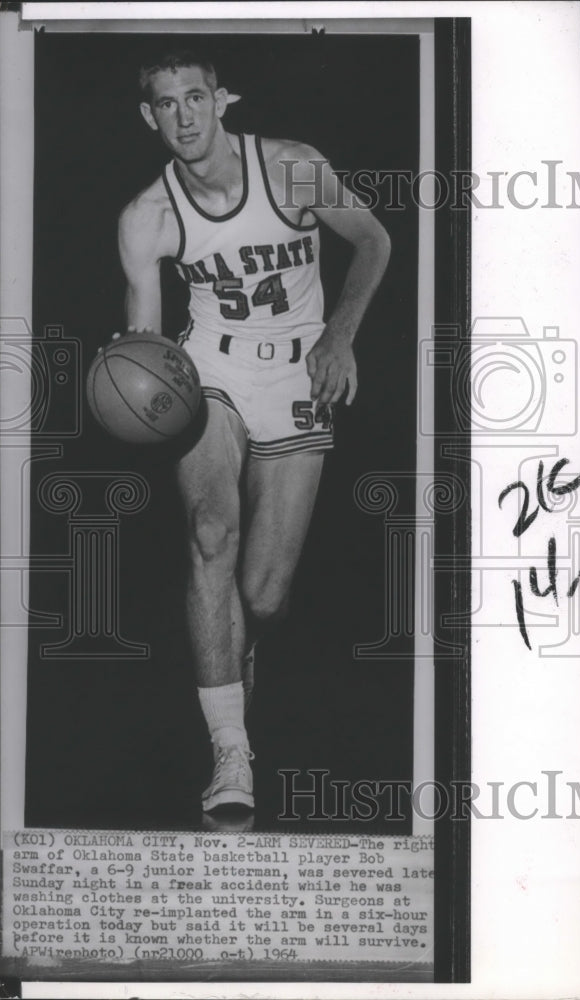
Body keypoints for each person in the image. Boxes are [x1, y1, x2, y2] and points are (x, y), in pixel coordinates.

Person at [118, 49, 391, 812]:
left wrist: (339, 335)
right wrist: (137, 386)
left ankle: (240, 654)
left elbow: (373, 240)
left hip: (301, 371)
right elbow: (146, 340)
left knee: (264, 596)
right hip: (210, 370)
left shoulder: (293, 168)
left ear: (221, 100)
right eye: (166, 104)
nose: (184, 116)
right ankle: (231, 754)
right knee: (210, 533)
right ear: (150, 116)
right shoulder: (148, 216)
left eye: (195, 97)